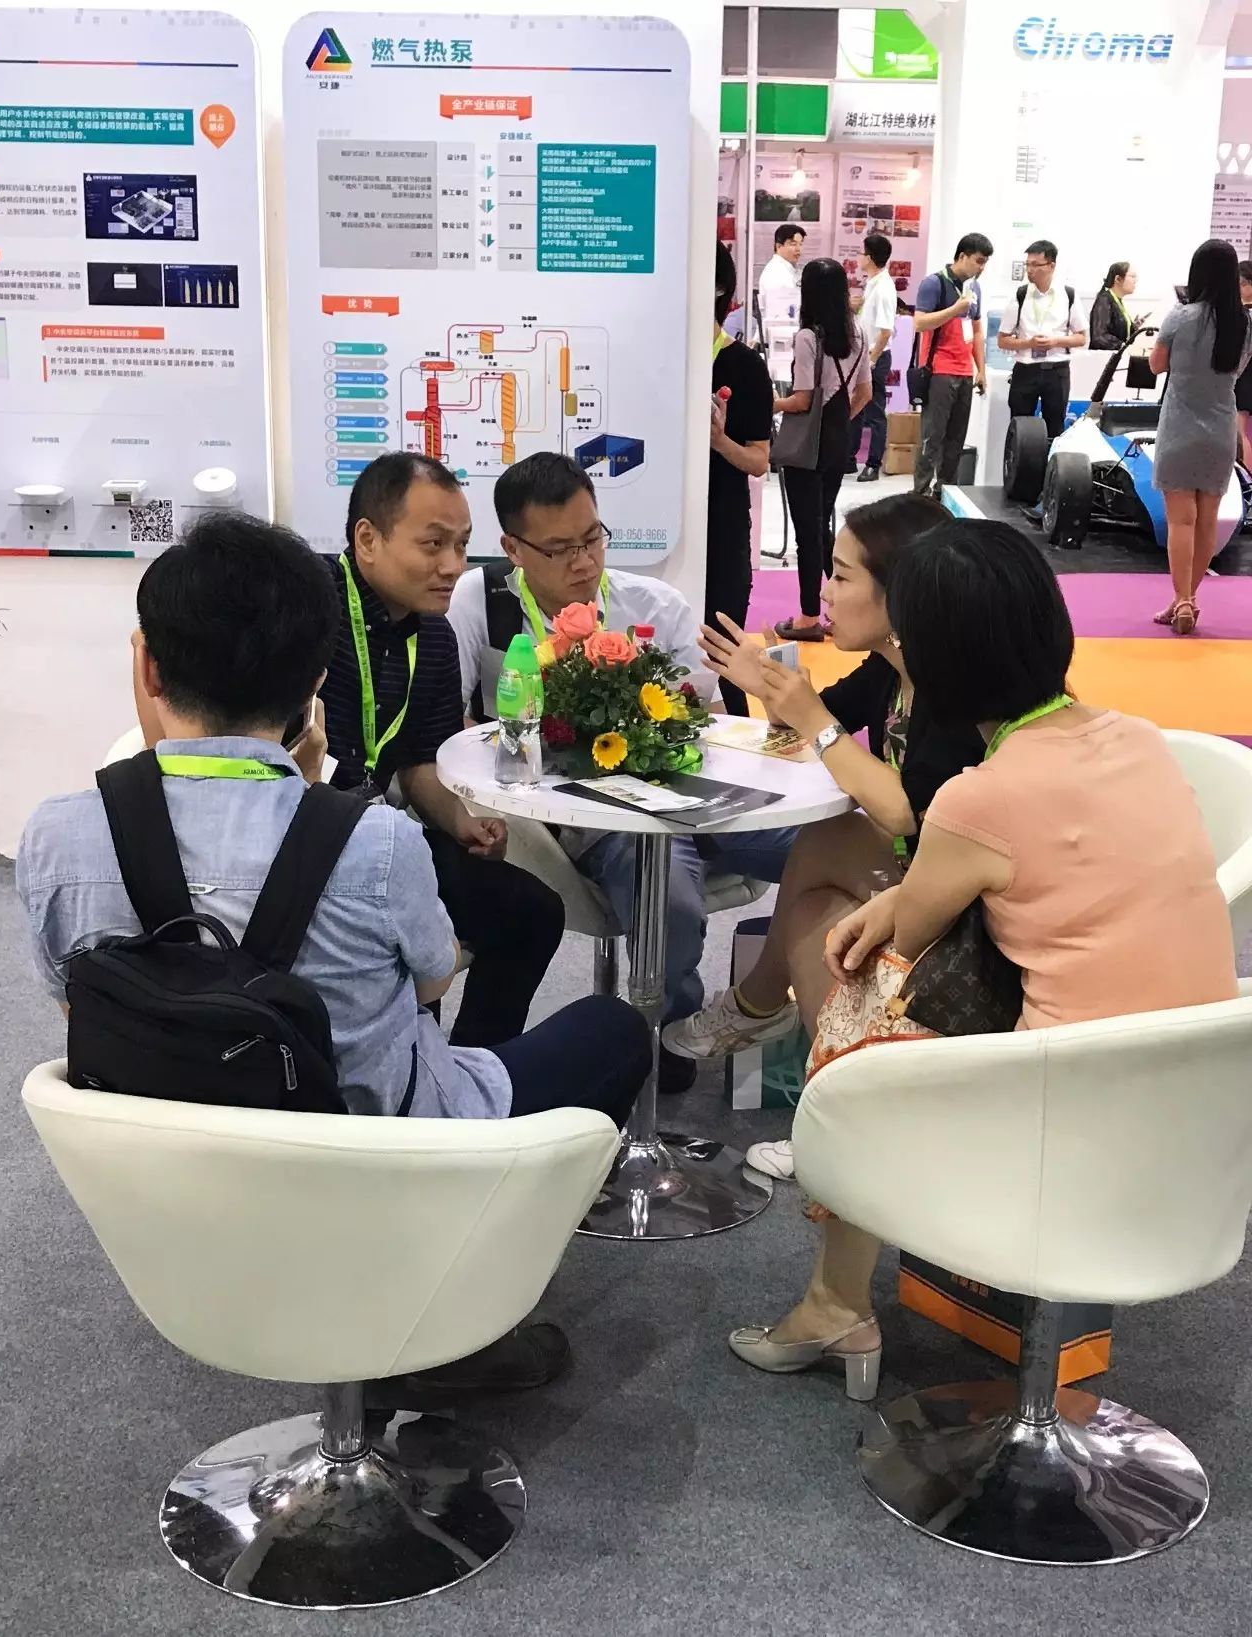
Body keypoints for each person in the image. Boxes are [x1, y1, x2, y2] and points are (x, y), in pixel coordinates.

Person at [18, 512, 652, 1391]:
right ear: (315, 683)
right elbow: (433, 977)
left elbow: (74, 1000)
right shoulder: (373, 841)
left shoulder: (59, 835)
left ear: (151, 669)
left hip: (176, 1185)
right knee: (616, 1032)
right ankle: (447, 1324)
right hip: (377, 1166)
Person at [725, 518, 1237, 1388]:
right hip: (1206, 1118)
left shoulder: (979, 795)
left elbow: (911, 936)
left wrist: (885, 908)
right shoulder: (1139, 738)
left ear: (935, 660)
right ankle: (840, 1292)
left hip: (1055, 1116)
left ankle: (835, 1295)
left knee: (861, 1000)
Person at [448, 451, 796, 1095]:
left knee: (824, 846)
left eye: (592, 538)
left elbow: (711, 720)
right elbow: (456, 728)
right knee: (672, 903)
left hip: (693, 794)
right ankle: (674, 1022)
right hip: (590, 819)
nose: (584, 562)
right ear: (513, 548)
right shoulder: (480, 603)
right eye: (560, 550)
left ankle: (771, 1003)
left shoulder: (654, 605)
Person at [664, 492, 985, 1167]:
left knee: (824, 905)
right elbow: (812, 725)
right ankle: (782, 1040)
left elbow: (903, 811)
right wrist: (771, 684)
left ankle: (789, 1053)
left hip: (966, 903)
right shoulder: (889, 669)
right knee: (819, 858)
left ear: (899, 593)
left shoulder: (954, 688)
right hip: (917, 869)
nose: (825, 594)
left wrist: (811, 716)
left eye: (841, 576)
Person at [320, 452, 565, 1048]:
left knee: (533, 912)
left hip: (379, 835)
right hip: (300, 841)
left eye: (461, 545)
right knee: (396, 943)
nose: (453, 566)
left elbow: (418, 761)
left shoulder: (433, 636)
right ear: (367, 539)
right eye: (433, 545)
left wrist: (461, 822)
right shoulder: (306, 605)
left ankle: (470, 1067)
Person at [1148, 240, 1252, 635]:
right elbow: (1237, 370)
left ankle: (1182, 601)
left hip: (1180, 425)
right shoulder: (1245, 323)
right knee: (1207, 520)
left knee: (1181, 521)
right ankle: (1188, 597)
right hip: (1221, 427)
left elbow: (1157, 364)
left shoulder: (1180, 315)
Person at [773, 257, 873, 642]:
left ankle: (808, 617)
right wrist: (838, 421)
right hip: (837, 442)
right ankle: (848, 604)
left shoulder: (808, 338)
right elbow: (865, 393)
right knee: (821, 524)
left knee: (807, 533)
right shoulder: (858, 334)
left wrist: (770, 403)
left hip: (808, 447)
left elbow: (801, 400)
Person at [710, 240, 774, 715]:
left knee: (724, 659)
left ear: (718, 288)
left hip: (723, 526)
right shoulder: (653, 359)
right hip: (655, 532)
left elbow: (758, 460)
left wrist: (718, 441)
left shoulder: (745, 366)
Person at [912, 232, 993, 501]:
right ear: (962, 256)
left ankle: (944, 492)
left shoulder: (975, 288)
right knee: (932, 436)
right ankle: (920, 494)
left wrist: (981, 369)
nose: (982, 268)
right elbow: (919, 323)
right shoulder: (934, 283)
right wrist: (955, 309)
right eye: (978, 261)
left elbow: (977, 331)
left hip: (964, 372)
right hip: (939, 370)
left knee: (956, 440)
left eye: (985, 262)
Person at [996, 238, 1088, 442]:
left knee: (1055, 428)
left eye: (1035, 265)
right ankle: (1018, 463)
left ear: (1051, 266)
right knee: (1019, 428)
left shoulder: (1068, 295)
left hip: (1057, 370)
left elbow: (1082, 337)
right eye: (1027, 264)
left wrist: (1055, 342)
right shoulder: (1020, 295)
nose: (1030, 270)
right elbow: (1002, 340)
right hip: (1025, 370)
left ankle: (1050, 463)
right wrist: (1028, 344)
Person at [847, 232, 897, 484]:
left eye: (861, 252)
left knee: (875, 411)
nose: (858, 257)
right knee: (855, 406)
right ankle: (849, 456)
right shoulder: (872, 283)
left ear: (870, 257)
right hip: (862, 355)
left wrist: (872, 359)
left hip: (875, 357)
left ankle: (873, 464)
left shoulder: (885, 288)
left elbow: (886, 331)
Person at [757, 223, 805, 343]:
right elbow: (780, 315)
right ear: (778, 246)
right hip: (778, 338)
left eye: (800, 244)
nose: (798, 249)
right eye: (793, 244)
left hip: (785, 335)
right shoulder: (776, 273)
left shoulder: (790, 269)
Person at [1089, 261, 1138, 351]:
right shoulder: (1104, 300)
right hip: (1103, 358)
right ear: (1118, 279)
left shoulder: (1117, 301)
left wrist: (1134, 327)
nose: (1136, 281)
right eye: (1132, 276)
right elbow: (1100, 337)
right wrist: (1123, 346)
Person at [1237, 260, 1252, 468]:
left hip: (1245, 375)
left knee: (1238, 432)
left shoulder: (1246, 314)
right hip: (1244, 374)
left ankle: (1245, 478)